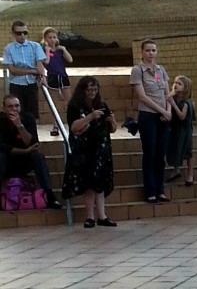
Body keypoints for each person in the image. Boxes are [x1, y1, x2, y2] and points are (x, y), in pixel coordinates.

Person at [62, 77, 118, 227]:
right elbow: (74, 127)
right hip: (84, 148)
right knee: (89, 182)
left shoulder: (101, 105)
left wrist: (112, 120)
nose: (93, 92)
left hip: (101, 148)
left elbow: (112, 129)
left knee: (99, 181)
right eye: (89, 89)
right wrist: (91, 116)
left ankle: (102, 215)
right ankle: (89, 216)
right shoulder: (74, 106)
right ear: (83, 90)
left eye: (95, 89)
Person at [0, 93, 62, 209]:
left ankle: (50, 196)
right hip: (7, 162)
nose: (14, 109)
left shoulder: (28, 118)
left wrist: (19, 126)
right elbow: (2, 147)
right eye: (10, 106)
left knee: (37, 156)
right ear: (4, 108)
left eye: (17, 106)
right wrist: (25, 151)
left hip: (24, 161)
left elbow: (34, 144)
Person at [130, 39, 172, 203]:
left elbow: (167, 93)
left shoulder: (160, 70)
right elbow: (142, 96)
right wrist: (160, 110)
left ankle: (160, 189)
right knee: (150, 152)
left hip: (163, 116)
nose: (151, 53)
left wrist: (168, 111)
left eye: (153, 50)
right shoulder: (137, 70)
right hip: (148, 115)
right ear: (142, 52)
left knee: (161, 153)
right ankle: (150, 191)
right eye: (148, 50)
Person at [3, 21, 47, 122]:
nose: (22, 35)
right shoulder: (9, 48)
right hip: (16, 84)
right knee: (16, 114)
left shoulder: (35, 46)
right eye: (19, 33)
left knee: (32, 115)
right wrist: (31, 71)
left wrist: (43, 77)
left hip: (31, 84)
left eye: (25, 32)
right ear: (13, 34)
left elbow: (39, 64)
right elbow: (13, 70)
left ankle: (32, 136)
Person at [41, 27, 73, 137]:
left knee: (69, 102)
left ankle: (72, 123)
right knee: (55, 104)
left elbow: (70, 60)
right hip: (52, 78)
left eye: (54, 37)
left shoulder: (60, 50)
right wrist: (47, 50)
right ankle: (55, 125)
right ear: (45, 39)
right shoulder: (45, 50)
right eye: (49, 38)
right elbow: (46, 62)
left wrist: (64, 50)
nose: (52, 40)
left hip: (63, 76)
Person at [166, 75, 195, 188]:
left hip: (184, 129)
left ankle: (190, 173)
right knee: (175, 147)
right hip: (175, 129)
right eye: (175, 83)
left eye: (179, 84)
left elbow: (182, 116)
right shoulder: (174, 97)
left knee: (188, 151)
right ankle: (176, 169)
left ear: (185, 87)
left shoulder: (187, 103)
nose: (176, 85)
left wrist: (173, 104)